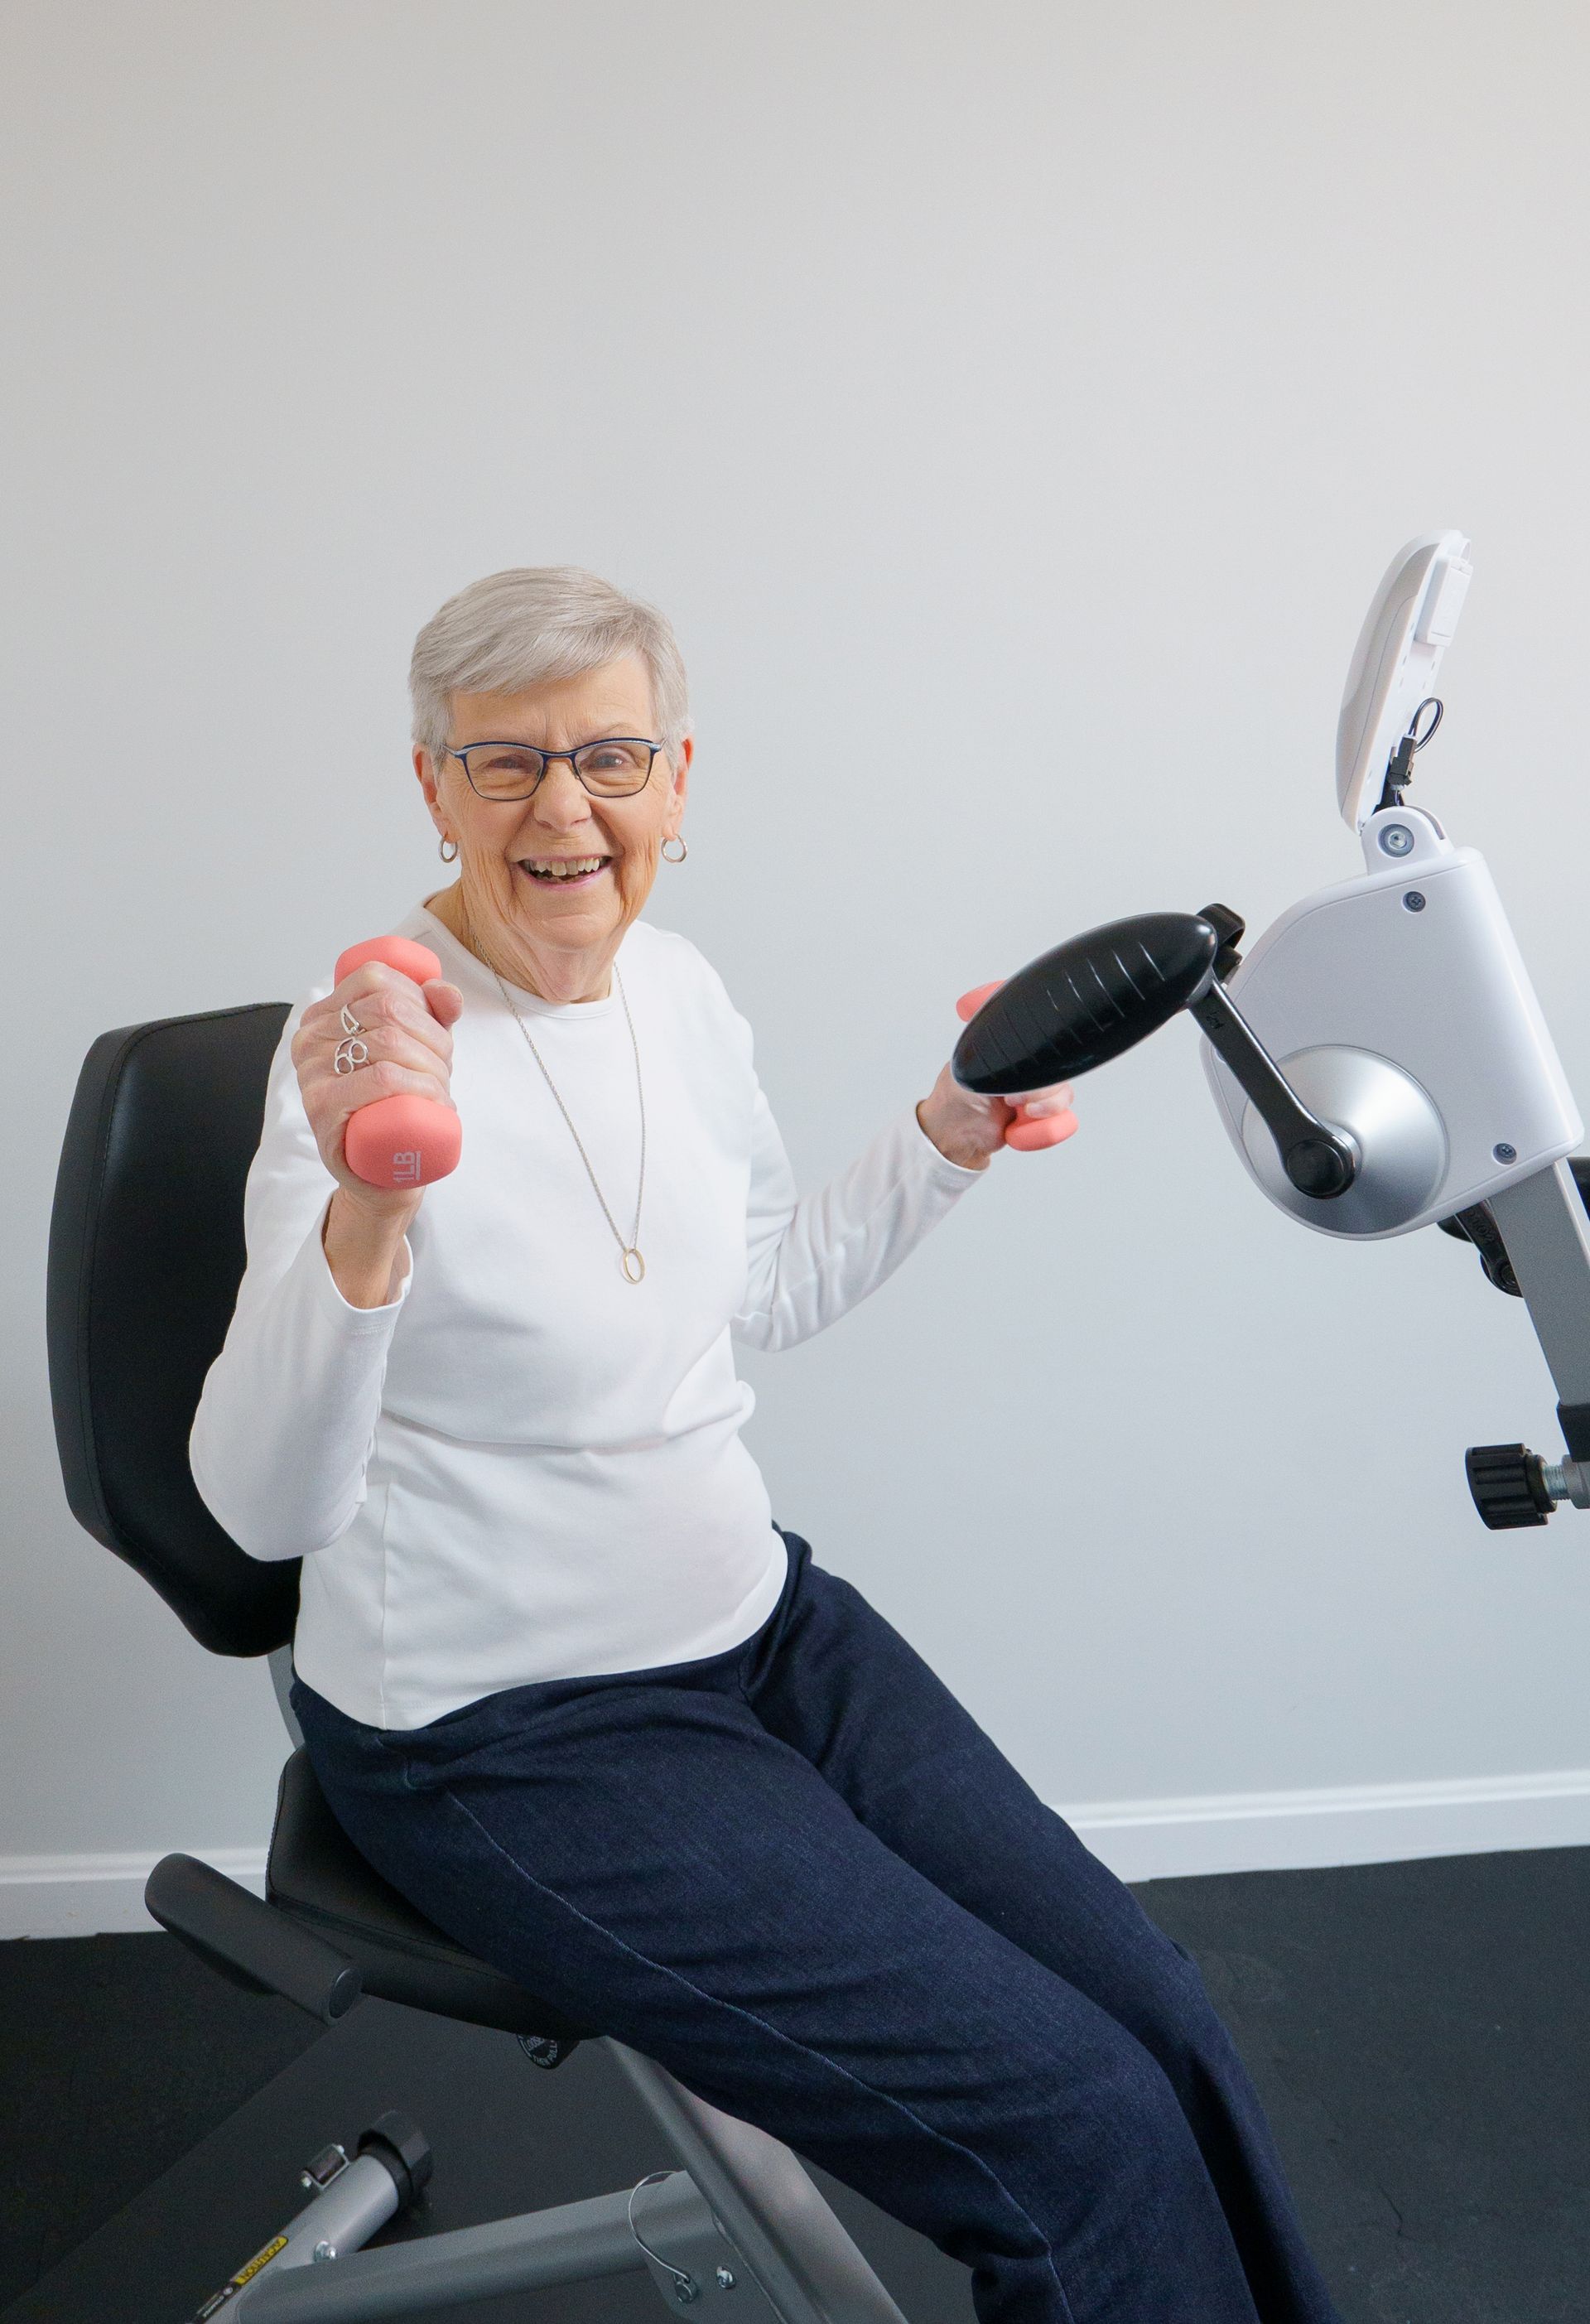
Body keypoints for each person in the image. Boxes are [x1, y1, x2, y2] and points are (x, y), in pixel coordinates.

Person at [190, 567, 1342, 2324]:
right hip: (506, 1733)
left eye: (611, 754)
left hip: (759, 1631)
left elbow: (768, 1287)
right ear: (432, 785)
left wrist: (951, 1128)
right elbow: (260, 1504)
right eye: (505, 765)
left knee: (1164, 2019)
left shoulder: (683, 989)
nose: (565, 808)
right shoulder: (358, 1060)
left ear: (678, 775)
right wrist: (367, 1199)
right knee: (1072, 2127)